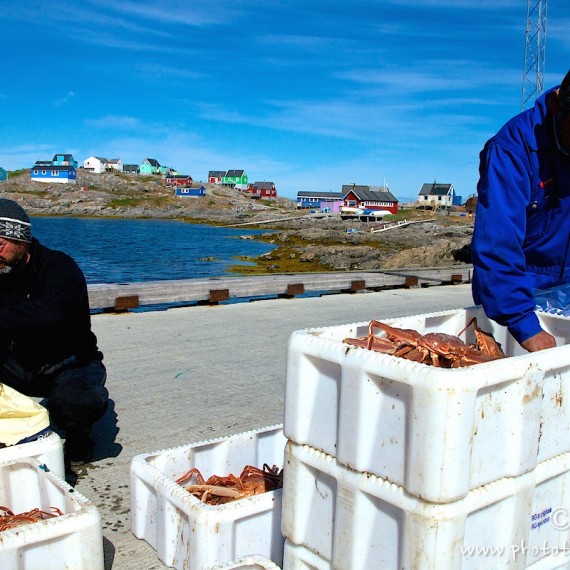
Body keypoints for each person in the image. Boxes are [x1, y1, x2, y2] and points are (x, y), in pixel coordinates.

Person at [0, 198, 108, 465]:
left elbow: (53, 311)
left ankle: (79, 438)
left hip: (69, 362)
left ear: (21, 240)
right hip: (18, 363)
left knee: (78, 402)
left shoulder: (60, 267)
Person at [472, 69, 570, 352]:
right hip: (518, 296)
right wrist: (525, 324)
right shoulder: (511, 149)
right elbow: (496, 243)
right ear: (556, 105)